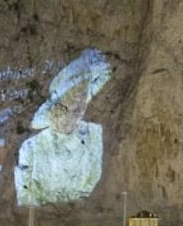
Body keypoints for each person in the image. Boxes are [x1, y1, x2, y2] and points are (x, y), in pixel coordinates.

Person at [14, 48, 111, 207]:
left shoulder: (93, 135)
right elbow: (25, 197)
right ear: (56, 109)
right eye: (69, 106)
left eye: (80, 105)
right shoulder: (31, 147)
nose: (76, 111)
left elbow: (92, 182)